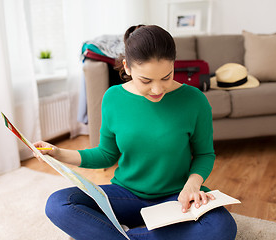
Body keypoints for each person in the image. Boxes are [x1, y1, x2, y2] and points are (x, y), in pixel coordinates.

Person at [34, 24, 237, 240]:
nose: (157, 89)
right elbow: (106, 154)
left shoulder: (195, 100)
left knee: (221, 227)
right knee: (59, 204)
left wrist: (192, 185)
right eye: (146, 81)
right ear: (127, 68)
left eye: (166, 77)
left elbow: (205, 154)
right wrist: (57, 153)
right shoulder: (113, 98)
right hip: (126, 195)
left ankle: (124, 237)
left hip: (177, 196)